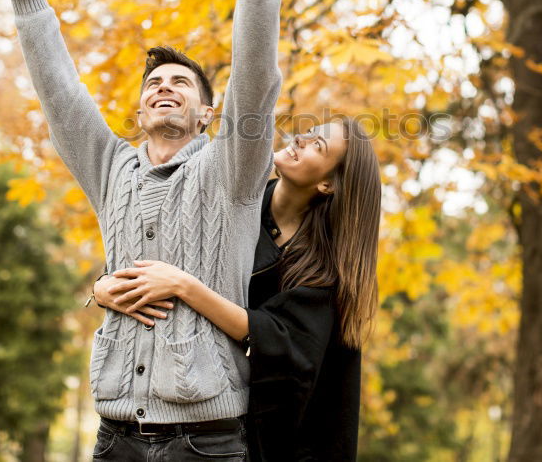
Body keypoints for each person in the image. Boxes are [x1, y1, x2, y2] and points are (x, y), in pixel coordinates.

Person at [0, 0, 294, 460]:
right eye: (154, 83)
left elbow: (255, 83)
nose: (165, 88)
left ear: (207, 114)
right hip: (115, 436)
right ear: (142, 106)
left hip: (206, 442)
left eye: (182, 83)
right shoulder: (111, 169)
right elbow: (61, 93)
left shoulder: (232, 172)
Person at [95, 117, 381, 460]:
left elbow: (280, 341)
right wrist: (100, 287)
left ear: (328, 184)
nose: (302, 139)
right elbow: (156, 244)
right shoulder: (234, 200)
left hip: (262, 427)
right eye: (310, 132)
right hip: (166, 401)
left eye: (318, 145)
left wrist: (186, 287)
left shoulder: (327, 265)